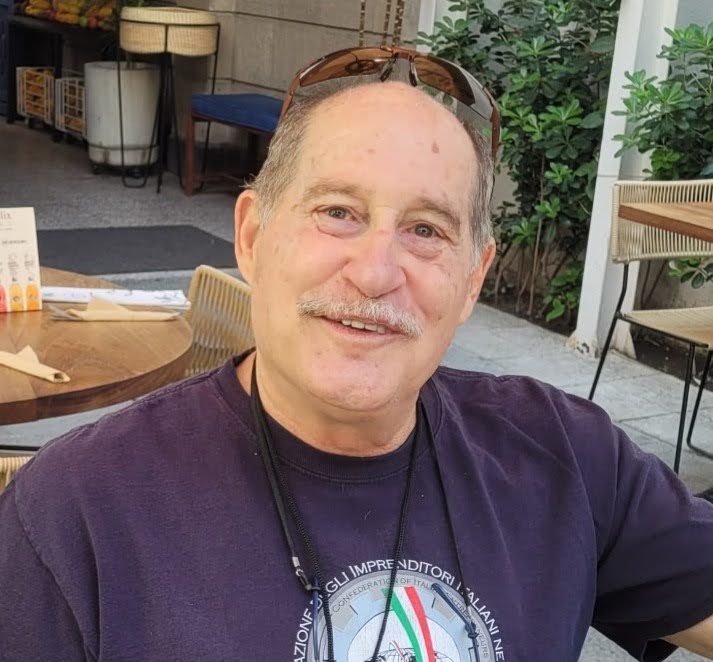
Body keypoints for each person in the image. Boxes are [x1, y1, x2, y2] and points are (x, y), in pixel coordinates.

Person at [1, 46, 713, 662]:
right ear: (252, 237)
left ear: (473, 280)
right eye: (337, 212)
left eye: (426, 229)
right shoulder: (73, 518)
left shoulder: (566, 458)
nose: (375, 273)